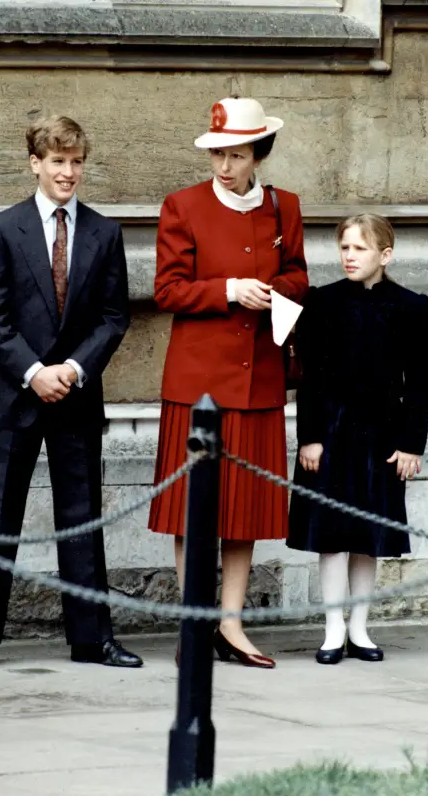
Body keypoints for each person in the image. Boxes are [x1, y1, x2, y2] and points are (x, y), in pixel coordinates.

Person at [0, 115, 143, 672]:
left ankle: (91, 639)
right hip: (17, 394)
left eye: (76, 162)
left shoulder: (104, 233)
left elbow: (113, 316)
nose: (68, 172)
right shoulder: (2, 229)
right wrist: (34, 371)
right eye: (57, 161)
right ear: (35, 163)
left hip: (76, 396)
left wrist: (74, 369)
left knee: (81, 520)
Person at [148, 97, 309, 668]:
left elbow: (298, 275)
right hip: (197, 385)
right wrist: (228, 290)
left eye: (236, 155)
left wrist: (276, 290)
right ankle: (195, 623)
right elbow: (167, 289)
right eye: (218, 154)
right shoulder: (183, 206)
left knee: (245, 513)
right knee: (192, 510)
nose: (224, 166)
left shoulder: (285, 207)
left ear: (258, 154)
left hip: (259, 378)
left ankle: (231, 626)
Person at [287, 214, 428, 664]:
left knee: (368, 535)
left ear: (385, 255)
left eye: (360, 248)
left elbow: (420, 382)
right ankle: (333, 628)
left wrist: (411, 444)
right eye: (344, 247)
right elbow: (310, 378)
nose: (349, 256)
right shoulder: (322, 303)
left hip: (382, 437)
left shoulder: (412, 307)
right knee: (332, 533)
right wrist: (310, 437)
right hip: (331, 433)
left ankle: (359, 627)